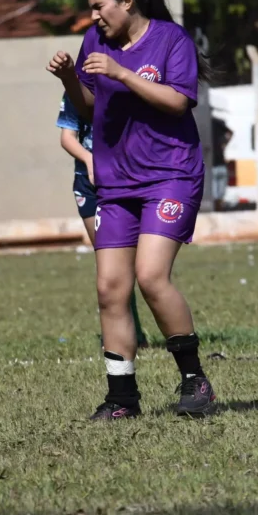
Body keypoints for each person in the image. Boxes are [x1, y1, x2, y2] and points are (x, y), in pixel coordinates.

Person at [49, 0, 217, 421]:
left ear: (127, 2)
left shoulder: (170, 40)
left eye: (99, 7)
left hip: (170, 175)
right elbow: (86, 108)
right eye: (90, 9)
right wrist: (69, 78)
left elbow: (178, 100)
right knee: (110, 287)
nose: (94, 17)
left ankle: (194, 379)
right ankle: (122, 398)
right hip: (116, 181)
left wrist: (123, 74)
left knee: (150, 275)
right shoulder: (94, 42)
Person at [56, 92, 148, 349]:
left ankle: (137, 332)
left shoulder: (126, 83)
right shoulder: (76, 87)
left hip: (127, 179)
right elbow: (67, 137)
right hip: (90, 185)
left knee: (140, 265)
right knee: (110, 265)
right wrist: (88, 159)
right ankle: (131, 335)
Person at [210, 115, 232, 212]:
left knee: (216, 193)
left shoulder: (201, 122)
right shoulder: (217, 122)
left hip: (215, 163)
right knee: (218, 193)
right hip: (218, 163)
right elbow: (230, 132)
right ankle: (218, 208)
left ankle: (218, 208)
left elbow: (230, 132)